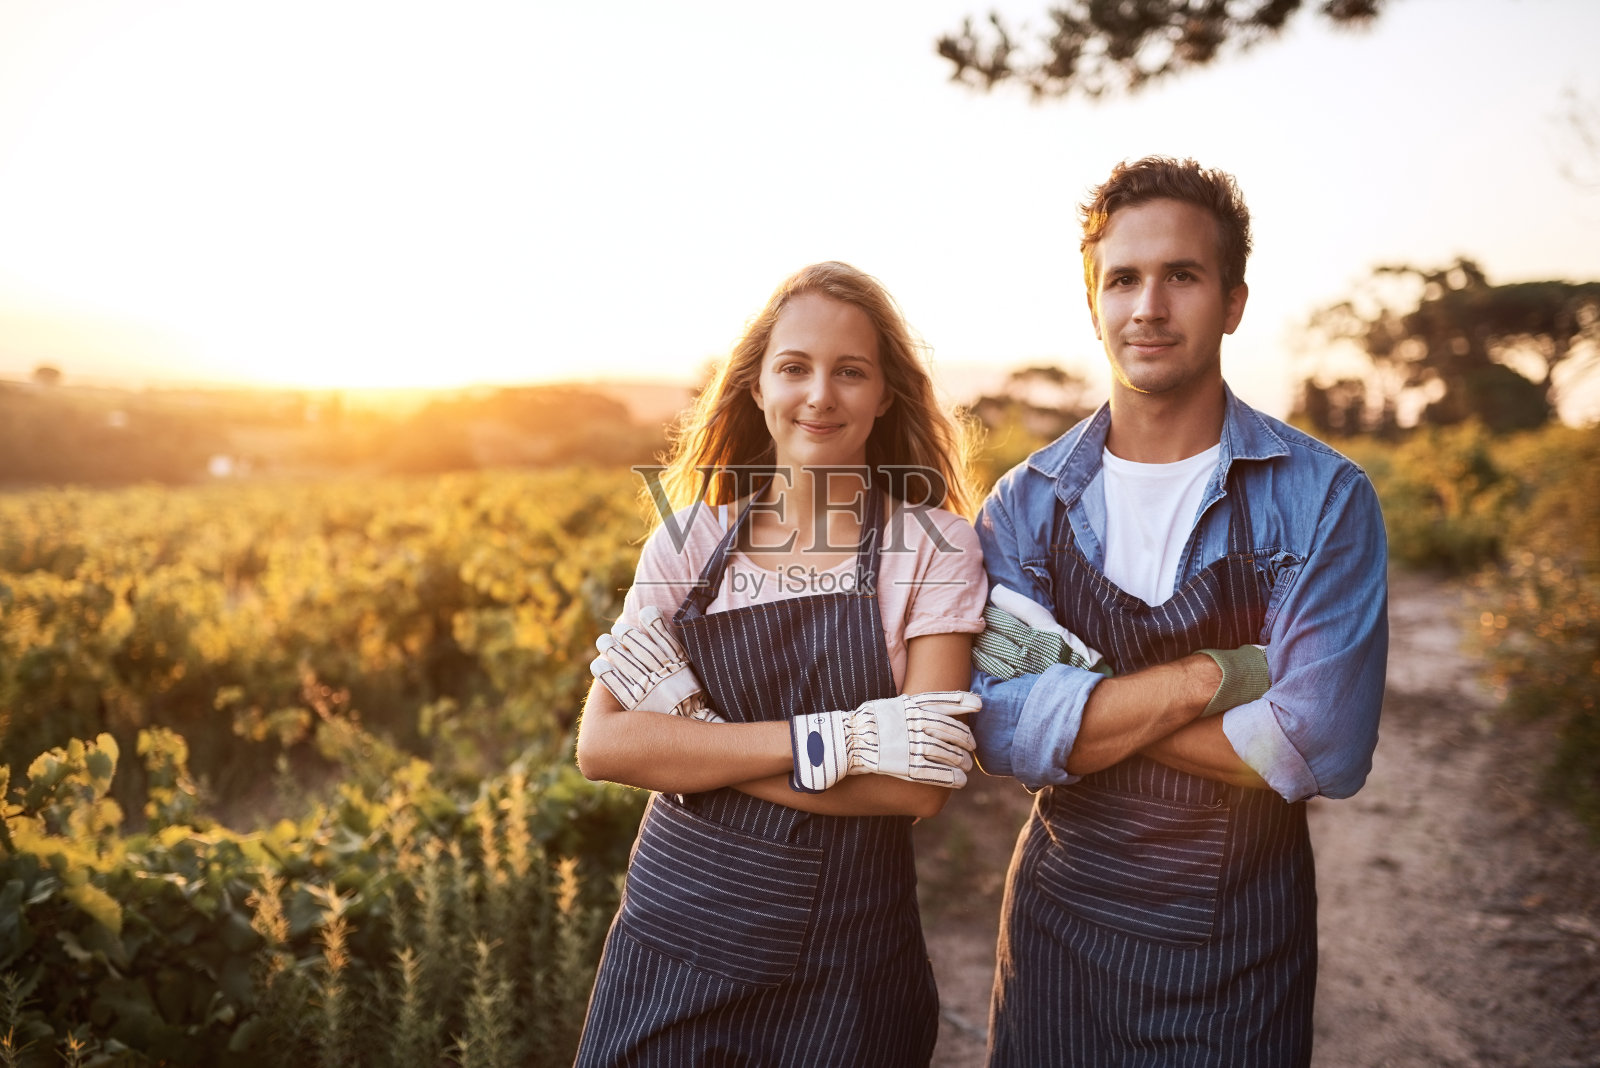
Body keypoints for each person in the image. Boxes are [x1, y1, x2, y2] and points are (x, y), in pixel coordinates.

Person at [972, 157, 1388, 1066]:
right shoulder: (1024, 503)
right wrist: (1224, 675)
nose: (1148, 307)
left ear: (1233, 301)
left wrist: (1075, 700)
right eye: (1122, 278)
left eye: (1182, 276)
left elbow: (1319, 744)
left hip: (1242, 945)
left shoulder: (1324, 500)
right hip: (1058, 935)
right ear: (1092, 301)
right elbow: (999, 729)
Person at [573, 261, 989, 1066]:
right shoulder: (688, 541)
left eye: (851, 372)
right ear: (757, 387)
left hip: (846, 969)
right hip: (672, 940)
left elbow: (919, 785)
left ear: (885, 395)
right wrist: (841, 740)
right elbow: (604, 746)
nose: (820, 394)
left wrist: (693, 740)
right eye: (794, 367)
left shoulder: (933, 547)